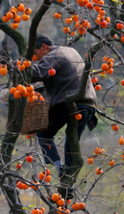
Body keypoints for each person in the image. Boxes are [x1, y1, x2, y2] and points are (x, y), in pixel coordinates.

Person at [30, 34, 97, 176]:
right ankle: (68, 177)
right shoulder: (70, 51)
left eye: (36, 54)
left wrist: (18, 67)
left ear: (43, 46)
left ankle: (58, 166)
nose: (37, 59)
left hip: (70, 103)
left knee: (44, 134)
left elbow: (37, 73)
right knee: (72, 140)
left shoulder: (53, 55)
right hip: (88, 104)